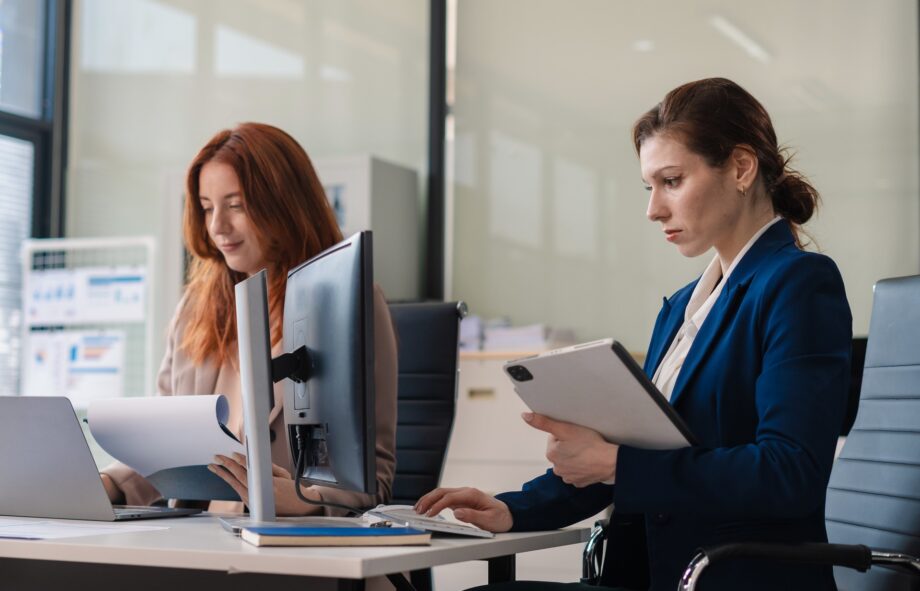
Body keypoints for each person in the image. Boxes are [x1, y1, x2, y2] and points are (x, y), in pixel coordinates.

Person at [417, 78, 852, 590]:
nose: (654, 210)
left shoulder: (798, 283)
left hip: (727, 578)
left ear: (740, 167)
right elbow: (633, 455)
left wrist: (617, 462)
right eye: (650, 188)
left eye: (672, 180)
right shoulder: (682, 308)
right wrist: (512, 509)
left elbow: (788, 473)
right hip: (652, 571)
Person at [100, 122, 398, 516]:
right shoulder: (195, 308)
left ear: (284, 202)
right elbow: (162, 450)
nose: (217, 227)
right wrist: (108, 485)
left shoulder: (348, 305)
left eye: (236, 205)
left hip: (296, 553)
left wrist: (307, 502)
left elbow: (373, 483)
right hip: (197, 539)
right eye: (207, 208)